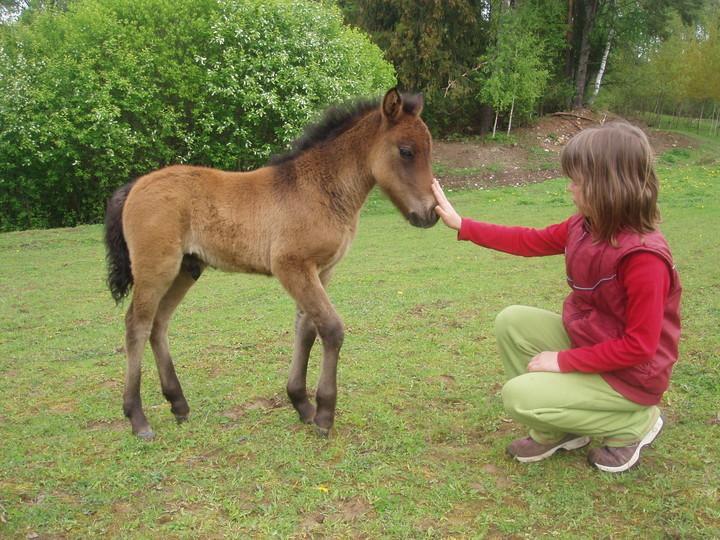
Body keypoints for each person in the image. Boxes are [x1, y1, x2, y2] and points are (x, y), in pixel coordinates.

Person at [431, 122, 681, 473]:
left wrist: (562, 361)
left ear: (605, 187)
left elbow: (640, 348)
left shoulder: (644, 258)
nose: (570, 188)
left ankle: (634, 425)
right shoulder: (586, 225)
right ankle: (556, 431)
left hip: (632, 376)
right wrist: (463, 224)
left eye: (577, 181)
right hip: (593, 339)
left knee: (518, 396)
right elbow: (529, 240)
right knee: (513, 320)